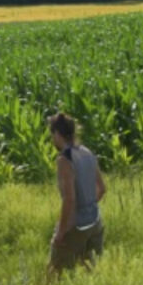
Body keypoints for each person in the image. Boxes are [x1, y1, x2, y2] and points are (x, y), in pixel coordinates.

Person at [48, 112, 106, 273]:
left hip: (76, 226)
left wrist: (61, 232)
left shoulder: (64, 160)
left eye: (52, 135)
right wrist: (88, 205)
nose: (52, 139)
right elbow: (101, 188)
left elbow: (69, 199)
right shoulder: (87, 152)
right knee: (89, 274)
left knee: (55, 273)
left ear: (58, 134)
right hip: (95, 223)